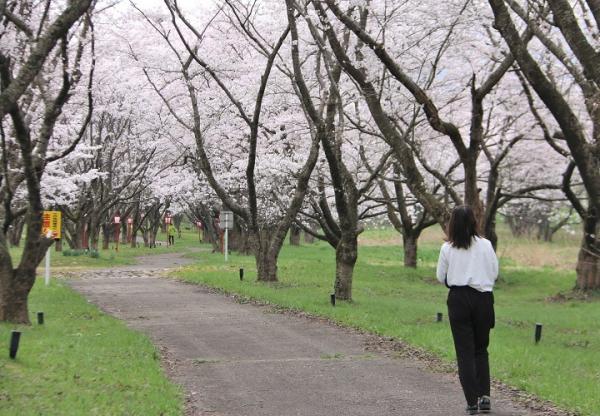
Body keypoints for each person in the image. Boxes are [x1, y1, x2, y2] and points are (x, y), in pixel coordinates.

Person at [436, 205, 498, 415]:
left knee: (464, 353)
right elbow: (494, 272)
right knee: (481, 350)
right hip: (483, 299)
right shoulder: (486, 245)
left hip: (458, 299)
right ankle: (485, 397)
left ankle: (471, 402)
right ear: (474, 222)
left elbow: (440, 276)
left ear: (451, 224)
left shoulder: (447, 248)